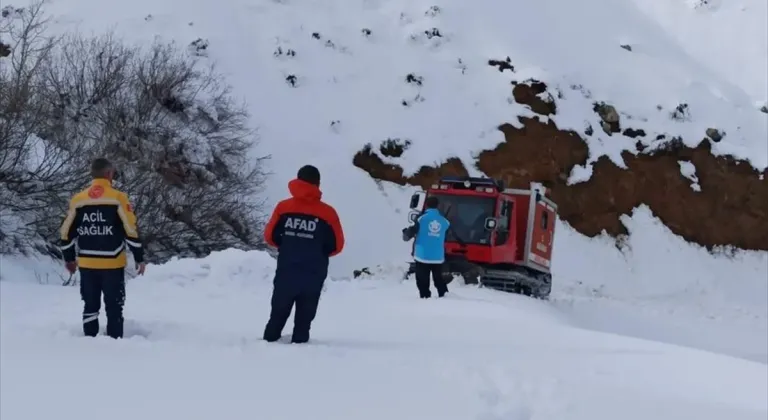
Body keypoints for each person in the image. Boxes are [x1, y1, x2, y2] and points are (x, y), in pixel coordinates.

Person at [59, 158, 146, 339]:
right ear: (109, 174)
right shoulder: (118, 198)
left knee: (90, 305)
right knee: (114, 306)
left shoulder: (79, 199)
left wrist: (69, 258)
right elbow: (130, 230)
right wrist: (139, 257)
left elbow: (66, 233)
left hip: (87, 263)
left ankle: (89, 341)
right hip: (112, 264)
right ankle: (114, 343)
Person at [262, 165, 345, 343]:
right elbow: (337, 245)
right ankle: (300, 352)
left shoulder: (283, 208)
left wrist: (289, 245)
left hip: (287, 269)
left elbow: (270, 236)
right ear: (318, 184)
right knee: (304, 321)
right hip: (314, 272)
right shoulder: (328, 213)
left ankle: (267, 345)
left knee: (277, 315)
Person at [402, 196, 459, 298]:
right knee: (439, 279)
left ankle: (425, 297)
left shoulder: (421, 218)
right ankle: (444, 296)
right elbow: (449, 235)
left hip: (422, 255)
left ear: (427, 205)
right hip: (437, 256)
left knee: (422, 279)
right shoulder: (444, 221)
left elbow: (409, 234)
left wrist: (406, 233)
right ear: (437, 206)